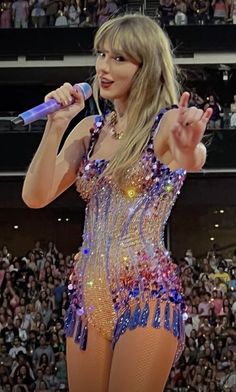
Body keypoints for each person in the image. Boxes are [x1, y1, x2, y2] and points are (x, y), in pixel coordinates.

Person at [22, 14, 212, 392]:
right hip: (88, 295)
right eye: (101, 55)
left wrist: (190, 149)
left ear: (146, 67)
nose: (103, 67)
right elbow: (35, 196)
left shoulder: (165, 123)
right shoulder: (90, 130)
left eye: (119, 58)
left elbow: (191, 155)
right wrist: (56, 125)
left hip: (145, 292)